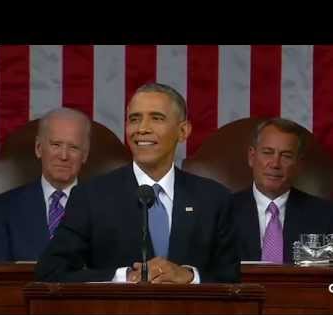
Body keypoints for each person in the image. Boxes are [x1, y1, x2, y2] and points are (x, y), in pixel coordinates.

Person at [35, 83, 240, 283]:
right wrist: (124, 277)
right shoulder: (91, 196)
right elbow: (51, 271)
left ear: (183, 131)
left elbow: (231, 278)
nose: (141, 129)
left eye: (156, 118)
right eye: (134, 119)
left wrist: (189, 276)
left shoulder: (214, 199)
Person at [0, 107, 91, 261]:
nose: (64, 156)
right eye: (56, 145)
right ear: (39, 148)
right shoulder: (4, 209)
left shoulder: (106, 208)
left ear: (84, 155)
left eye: (73, 147)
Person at [231, 117, 333, 263]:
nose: (275, 164)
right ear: (252, 157)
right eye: (268, 152)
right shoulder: (222, 211)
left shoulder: (327, 216)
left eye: (286, 156)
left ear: (299, 164)